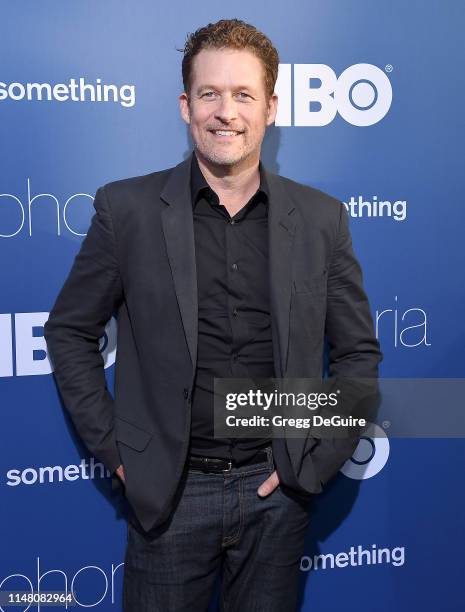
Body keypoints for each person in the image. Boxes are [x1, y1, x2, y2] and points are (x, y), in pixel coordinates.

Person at [44, 18, 382, 612]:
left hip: (278, 495)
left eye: (244, 95)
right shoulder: (127, 210)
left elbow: (356, 355)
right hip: (170, 498)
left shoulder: (322, 218)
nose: (226, 112)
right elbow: (70, 331)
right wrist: (124, 457)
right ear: (185, 105)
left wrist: (312, 461)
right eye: (210, 94)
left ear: (272, 108)